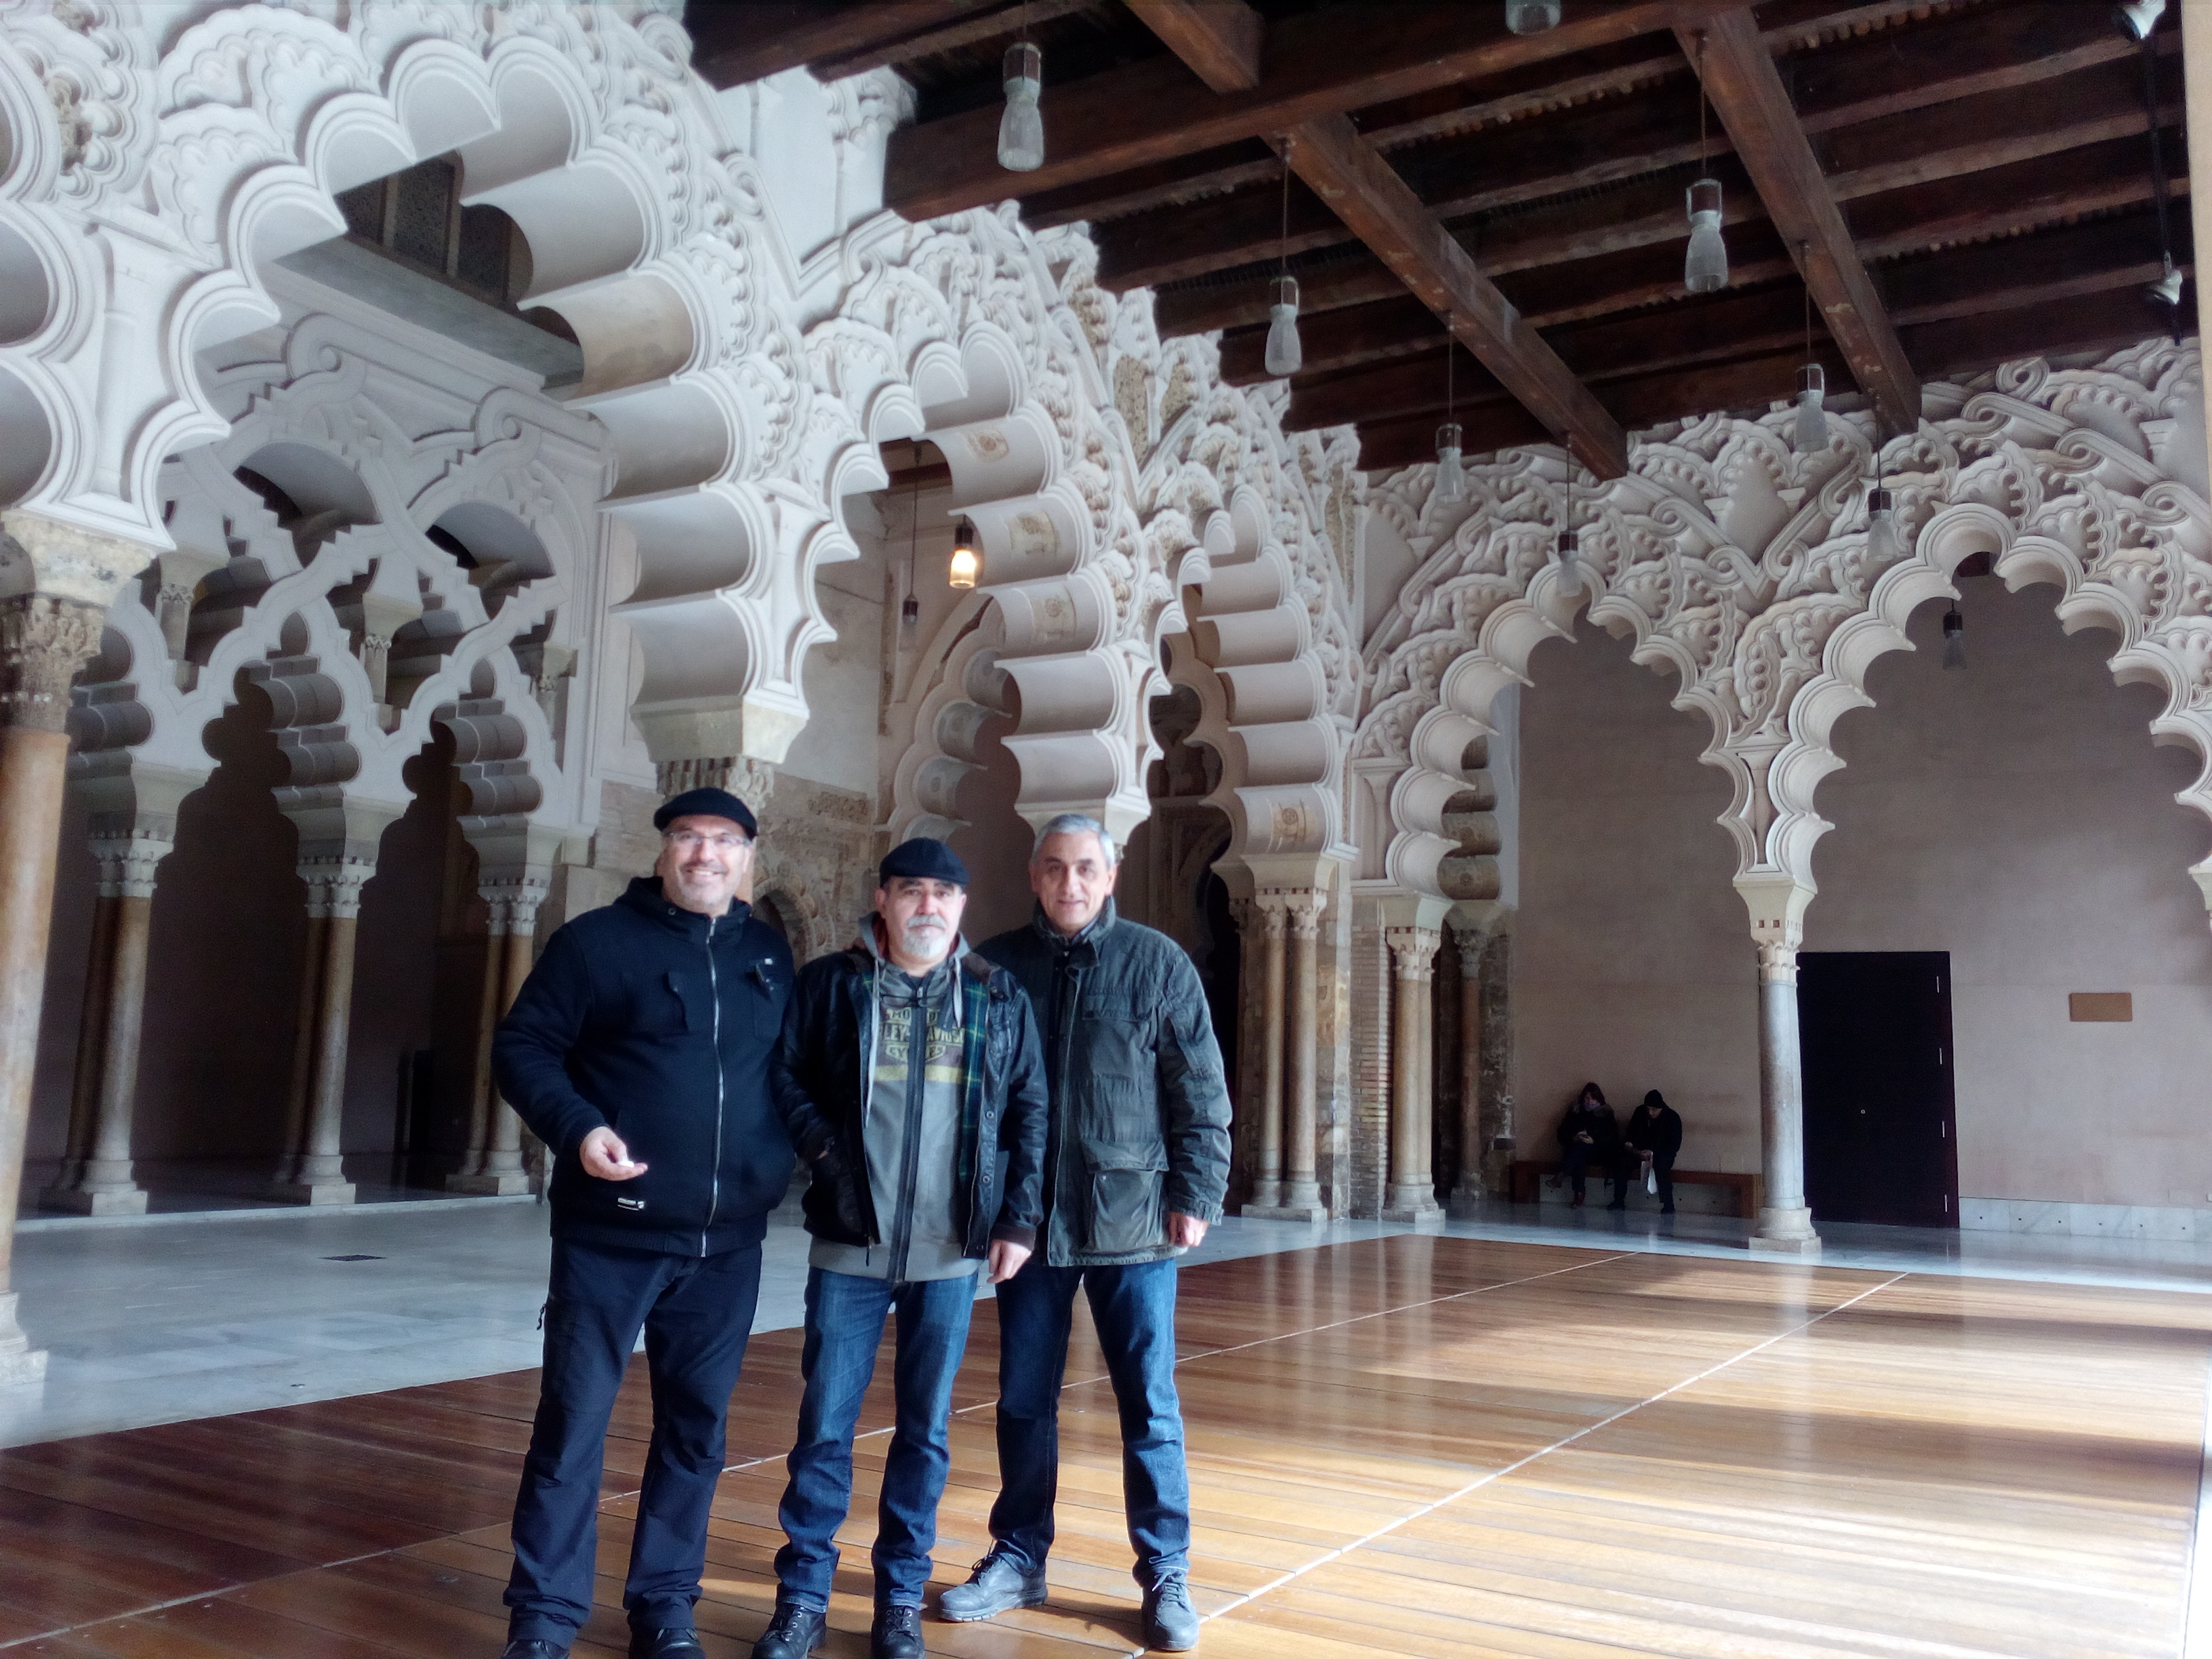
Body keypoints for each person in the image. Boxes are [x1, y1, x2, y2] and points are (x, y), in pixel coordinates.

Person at [489, 787, 793, 1659]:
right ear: (663, 850)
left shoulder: (768, 955)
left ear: (746, 858)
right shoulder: (594, 944)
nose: (706, 855)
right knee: (573, 1423)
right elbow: (522, 1047)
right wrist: (579, 1128)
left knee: (696, 1432)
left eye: (725, 841)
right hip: (611, 1236)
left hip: (728, 1243)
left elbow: (790, 1075)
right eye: (689, 838)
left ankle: (664, 1608)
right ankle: (544, 1619)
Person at [940, 814, 1232, 1654]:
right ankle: (1018, 1555)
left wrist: (1197, 1192)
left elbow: (1199, 1089)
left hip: (1133, 1224)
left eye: (1085, 870)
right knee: (1023, 1398)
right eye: (1055, 869)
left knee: (1149, 1402)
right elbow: (970, 1097)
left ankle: (1165, 1570)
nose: (1069, 884)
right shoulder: (995, 966)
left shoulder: (1158, 963)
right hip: (1029, 1225)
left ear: (1111, 876)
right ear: (1035, 876)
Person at [752, 838, 1049, 1659]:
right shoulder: (832, 984)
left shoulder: (996, 995)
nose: (927, 906)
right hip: (851, 1243)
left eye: (943, 894)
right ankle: (802, 1600)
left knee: (925, 1430)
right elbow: (785, 1073)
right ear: (881, 899)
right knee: (824, 1426)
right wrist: (825, 1150)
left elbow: (1029, 1108)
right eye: (911, 890)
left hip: (951, 1251)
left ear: (962, 906)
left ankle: (899, 1602)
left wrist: (1018, 1220)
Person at [1555, 1082, 1625, 1210]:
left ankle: (1563, 1176)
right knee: (1579, 1152)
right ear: (1583, 1098)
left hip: (1599, 1152)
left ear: (1599, 1099)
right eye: (1587, 1098)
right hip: (1578, 1150)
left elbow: (1612, 1137)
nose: (1590, 1102)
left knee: (1579, 1150)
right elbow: (1562, 1132)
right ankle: (1578, 1193)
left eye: (1593, 1098)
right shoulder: (1576, 1111)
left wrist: (1594, 1140)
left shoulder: (1605, 1113)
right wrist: (1574, 1137)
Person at [1626, 1089, 1685, 1214]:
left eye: (1654, 1110)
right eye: (1648, 1109)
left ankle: (1668, 1204)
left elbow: (1674, 1145)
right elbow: (1631, 1132)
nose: (1650, 1113)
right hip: (1639, 1152)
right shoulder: (1640, 1113)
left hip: (1662, 1153)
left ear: (1661, 1108)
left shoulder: (1672, 1118)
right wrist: (1631, 1144)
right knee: (1622, 1161)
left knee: (1661, 1166)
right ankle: (1619, 1200)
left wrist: (1653, 1152)